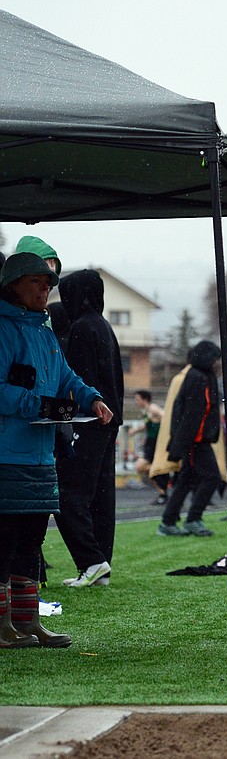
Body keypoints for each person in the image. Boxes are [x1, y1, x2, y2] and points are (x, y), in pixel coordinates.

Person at [0, 253, 111, 649]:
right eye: (38, 282)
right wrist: (37, 405)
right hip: (7, 455)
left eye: (49, 284)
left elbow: (66, 376)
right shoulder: (3, 330)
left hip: (41, 456)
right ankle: (3, 626)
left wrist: (91, 398)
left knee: (31, 540)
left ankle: (27, 622)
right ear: (13, 285)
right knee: (5, 540)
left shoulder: (44, 329)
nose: (47, 289)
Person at [54, 269, 125, 587]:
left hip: (88, 421)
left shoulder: (82, 329)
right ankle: (100, 564)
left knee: (66, 494)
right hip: (108, 421)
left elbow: (78, 381)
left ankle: (92, 560)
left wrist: (61, 413)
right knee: (101, 496)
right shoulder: (104, 327)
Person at [158, 340, 224, 538]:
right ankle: (193, 518)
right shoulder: (199, 377)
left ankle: (168, 521)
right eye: (214, 359)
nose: (216, 364)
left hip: (195, 438)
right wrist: (185, 441)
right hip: (196, 439)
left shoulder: (200, 376)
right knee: (211, 476)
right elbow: (193, 413)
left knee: (186, 480)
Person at [131, 390, 168, 504]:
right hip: (150, 443)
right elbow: (149, 425)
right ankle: (163, 492)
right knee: (143, 468)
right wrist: (137, 431)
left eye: (138, 399)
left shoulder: (153, 408)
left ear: (145, 399)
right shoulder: (146, 411)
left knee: (140, 467)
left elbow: (165, 417)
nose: (136, 402)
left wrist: (165, 436)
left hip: (156, 444)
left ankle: (165, 478)